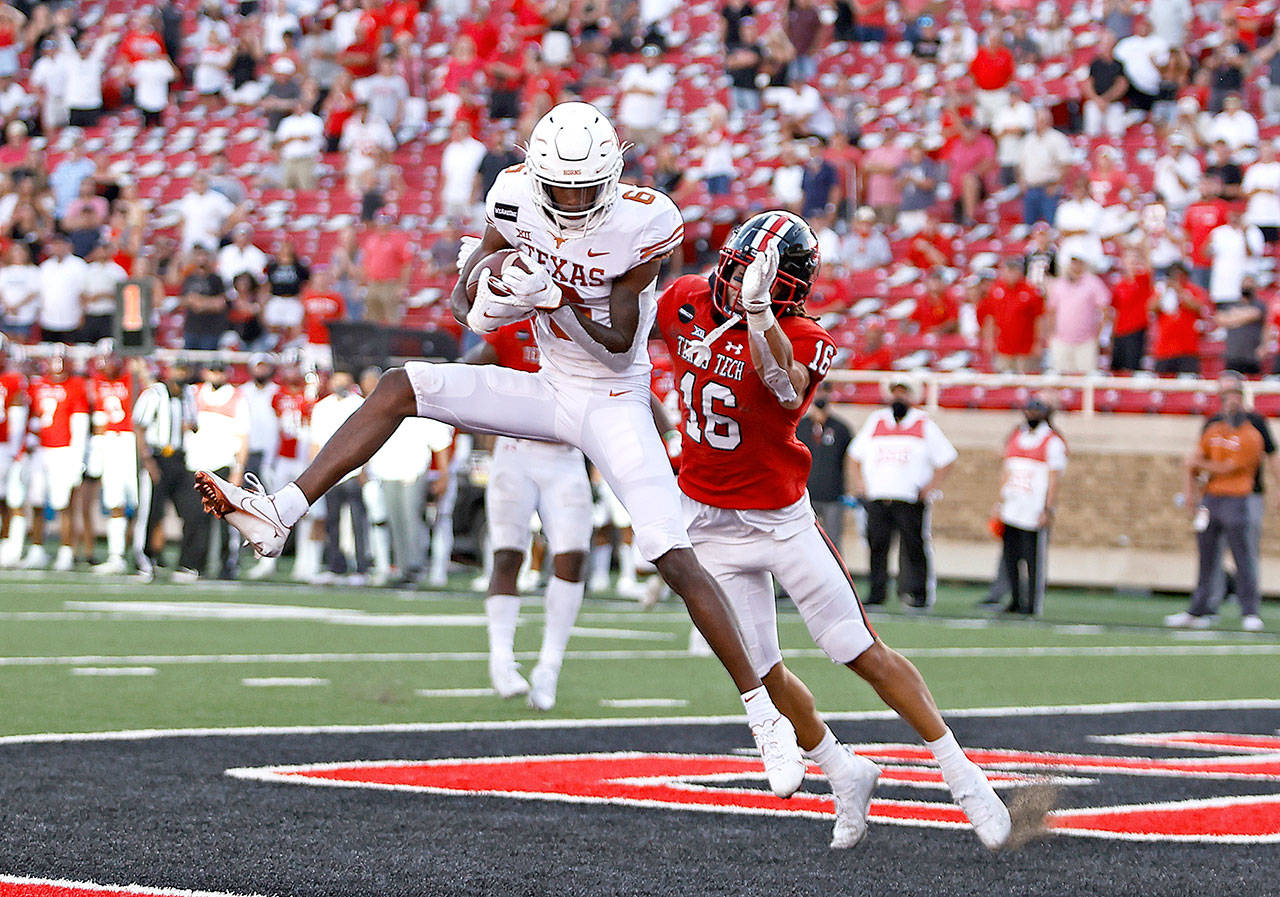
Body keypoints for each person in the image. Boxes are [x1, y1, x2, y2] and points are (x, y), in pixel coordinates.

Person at [193, 101, 807, 796]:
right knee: (401, 385)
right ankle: (281, 511)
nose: (572, 201)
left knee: (669, 550)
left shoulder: (647, 219)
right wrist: (488, 292)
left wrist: (553, 300)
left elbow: (614, 346)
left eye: (585, 188)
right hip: (543, 387)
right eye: (561, 188)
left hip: (613, 399)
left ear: (611, 177)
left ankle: (766, 721)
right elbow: (463, 304)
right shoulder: (513, 193)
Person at [657, 211, 1012, 850]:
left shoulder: (804, 332)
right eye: (737, 269)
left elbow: (787, 391)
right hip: (706, 519)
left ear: (787, 287)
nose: (735, 284)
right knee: (761, 671)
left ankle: (963, 777)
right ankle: (842, 769)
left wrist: (763, 318)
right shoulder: (685, 299)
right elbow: (630, 335)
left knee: (858, 650)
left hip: (780, 519)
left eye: (755, 278)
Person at [464, 317, 593, 710]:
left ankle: (549, 666)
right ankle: (500, 658)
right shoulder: (512, 331)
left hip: (565, 455)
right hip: (515, 452)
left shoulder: (585, 330)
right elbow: (466, 373)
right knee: (507, 553)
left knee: (572, 557)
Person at [1167, 377, 1265, 631]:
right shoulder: (1212, 431)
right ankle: (1199, 609)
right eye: (1227, 401)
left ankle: (1250, 611)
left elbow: (1232, 466)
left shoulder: (1251, 435)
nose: (1231, 405)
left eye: (1235, 400)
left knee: (1242, 556)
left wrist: (1202, 466)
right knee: (1207, 556)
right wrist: (1192, 493)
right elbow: (1192, 462)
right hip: (1212, 499)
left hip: (1237, 499)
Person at [848, 380, 956, 609]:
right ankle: (877, 593)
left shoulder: (923, 422)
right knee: (877, 547)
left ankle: (918, 593)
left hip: (909, 498)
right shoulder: (877, 420)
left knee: (914, 546)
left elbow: (946, 458)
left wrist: (930, 487)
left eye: (903, 394)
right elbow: (854, 455)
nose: (899, 399)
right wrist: (860, 484)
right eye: (895, 394)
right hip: (878, 497)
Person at [6, 351, 88, 570]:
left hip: (63, 450)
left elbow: (80, 425)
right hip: (40, 451)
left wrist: (77, 457)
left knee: (63, 503)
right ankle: (37, 548)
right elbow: (29, 416)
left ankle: (66, 551)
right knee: (37, 501)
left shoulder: (75, 386)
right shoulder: (36, 385)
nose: (57, 365)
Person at [994, 397, 1067, 615]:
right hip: (1012, 506)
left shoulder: (1052, 441)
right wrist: (1000, 501)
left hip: (1033, 509)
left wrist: (1048, 508)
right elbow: (1007, 470)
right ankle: (1015, 600)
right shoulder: (1017, 435)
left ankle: (1032, 604)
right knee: (1011, 558)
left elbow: (1054, 479)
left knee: (1033, 559)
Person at [87, 354, 137, 574]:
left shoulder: (131, 379)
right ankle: (116, 554)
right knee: (114, 500)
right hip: (109, 441)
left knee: (138, 501)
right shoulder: (97, 381)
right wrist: (97, 450)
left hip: (131, 440)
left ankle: (142, 552)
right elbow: (98, 419)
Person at [796, 389, 852, 550]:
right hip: (805, 494)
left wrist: (849, 489)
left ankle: (835, 575)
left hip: (832, 494)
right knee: (802, 540)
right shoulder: (801, 426)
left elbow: (849, 458)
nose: (821, 397)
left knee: (833, 542)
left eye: (824, 392)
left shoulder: (841, 428)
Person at [1045, 256, 1110, 374]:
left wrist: (1098, 335)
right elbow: (1051, 310)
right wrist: (1051, 333)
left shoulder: (1093, 283)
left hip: (1086, 341)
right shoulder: (1059, 284)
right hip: (1061, 340)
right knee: (1061, 380)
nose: (1075, 266)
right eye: (1073, 262)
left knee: (1086, 382)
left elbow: (1104, 309)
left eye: (1079, 262)